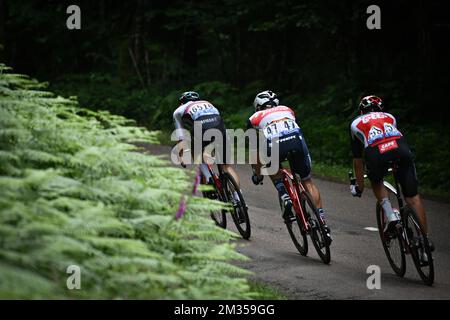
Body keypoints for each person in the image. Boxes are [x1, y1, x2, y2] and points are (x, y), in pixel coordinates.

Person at [349, 95, 433, 251]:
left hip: (376, 153)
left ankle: (391, 215)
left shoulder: (355, 123)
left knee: (376, 180)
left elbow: (357, 160)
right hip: (400, 151)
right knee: (413, 197)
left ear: (361, 111)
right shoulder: (390, 117)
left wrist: (359, 186)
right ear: (381, 108)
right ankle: (425, 240)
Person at [248, 90, 331, 243]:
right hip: (296, 141)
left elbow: (255, 152)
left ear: (258, 106)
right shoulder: (287, 109)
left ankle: (284, 194)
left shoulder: (254, 118)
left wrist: (258, 174)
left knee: (271, 165)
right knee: (307, 181)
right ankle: (322, 221)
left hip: (274, 145)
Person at [173, 91, 241, 191]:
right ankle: (238, 198)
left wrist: (182, 156)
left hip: (202, 127)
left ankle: (209, 178)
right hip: (220, 127)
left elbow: (180, 136)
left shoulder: (178, 111)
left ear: (182, 102)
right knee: (226, 166)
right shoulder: (208, 103)